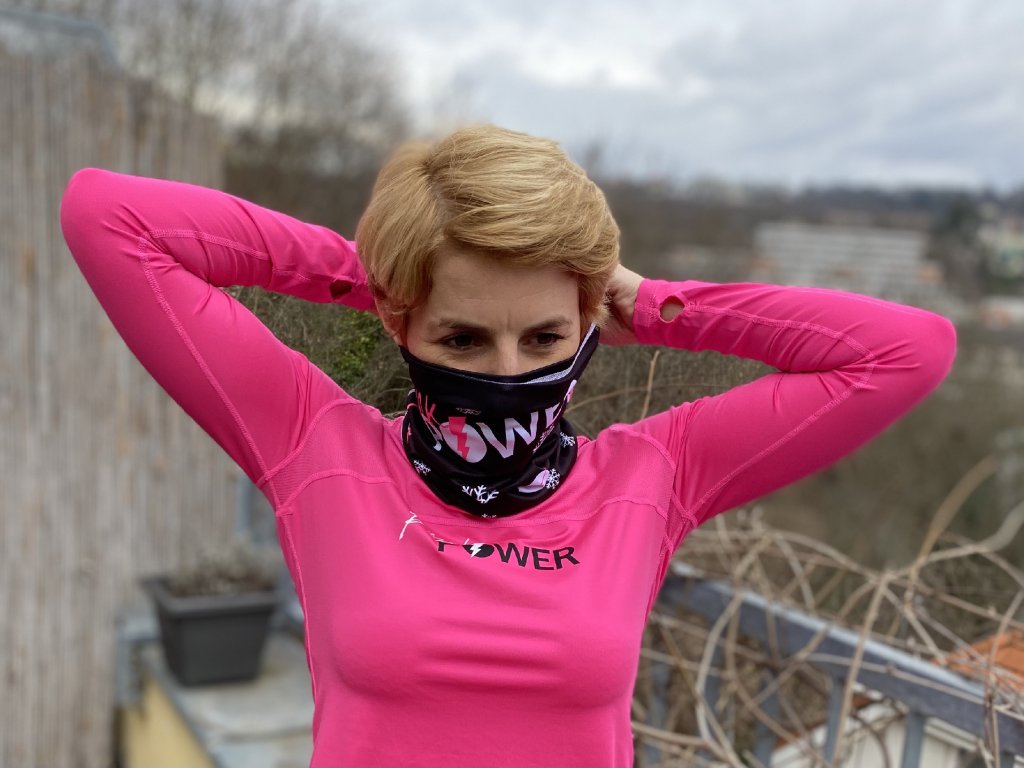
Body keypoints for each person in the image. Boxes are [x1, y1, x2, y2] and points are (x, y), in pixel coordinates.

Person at [59, 124, 956, 767]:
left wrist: (654, 306)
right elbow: (108, 216)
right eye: (461, 338)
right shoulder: (316, 449)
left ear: (584, 323)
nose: (506, 371)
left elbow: (908, 351)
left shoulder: (652, 477)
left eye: (543, 338)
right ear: (403, 323)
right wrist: (380, 274)